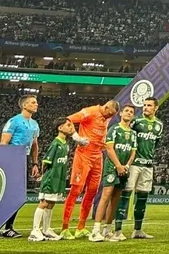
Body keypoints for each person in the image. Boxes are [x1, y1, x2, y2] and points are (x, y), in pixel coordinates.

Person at [61, 100, 120, 239]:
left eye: (111, 116)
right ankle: (65, 228)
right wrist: (76, 136)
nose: (108, 117)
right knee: (76, 190)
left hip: (97, 156)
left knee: (92, 192)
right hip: (83, 155)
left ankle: (80, 227)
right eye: (109, 114)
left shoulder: (106, 115)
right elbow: (68, 119)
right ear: (105, 108)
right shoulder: (90, 111)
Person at [90, 104, 137, 242]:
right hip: (112, 168)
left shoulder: (133, 133)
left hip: (124, 169)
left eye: (131, 112)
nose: (128, 113)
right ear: (121, 113)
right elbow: (109, 149)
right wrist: (118, 165)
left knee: (116, 199)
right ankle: (95, 230)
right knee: (105, 196)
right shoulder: (114, 129)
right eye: (126, 111)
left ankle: (107, 230)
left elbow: (133, 152)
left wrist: (127, 166)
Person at [118, 96, 163, 240]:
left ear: (156, 108)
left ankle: (137, 230)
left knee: (142, 198)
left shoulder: (159, 125)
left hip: (148, 165)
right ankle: (117, 230)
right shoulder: (136, 122)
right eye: (144, 105)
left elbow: (156, 144)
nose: (145, 107)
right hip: (134, 164)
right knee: (125, 196)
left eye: (149, 105)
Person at [0, 94, 41, 238]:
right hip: (12, 158)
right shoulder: (14, 121)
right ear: (24, 105)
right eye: (33, 102)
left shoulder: (34, 124)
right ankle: (3, 228)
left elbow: (35, 145)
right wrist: (5, 162)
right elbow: (4, 143)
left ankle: (8, 227)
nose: (36, 104)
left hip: (25, 158)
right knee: (8, 194)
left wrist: (35, 163)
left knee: (18, 195)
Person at [29, 117, 76, 242]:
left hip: (59, 179)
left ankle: (46, 229)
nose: (71, 127)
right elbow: (46, 162)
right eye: (68, 125)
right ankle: (35, 230)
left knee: (51, 203)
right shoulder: (55, 143)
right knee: (44, 202)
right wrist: (44, 175)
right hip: (50, 178)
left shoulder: (65, 144)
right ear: (60, 128)